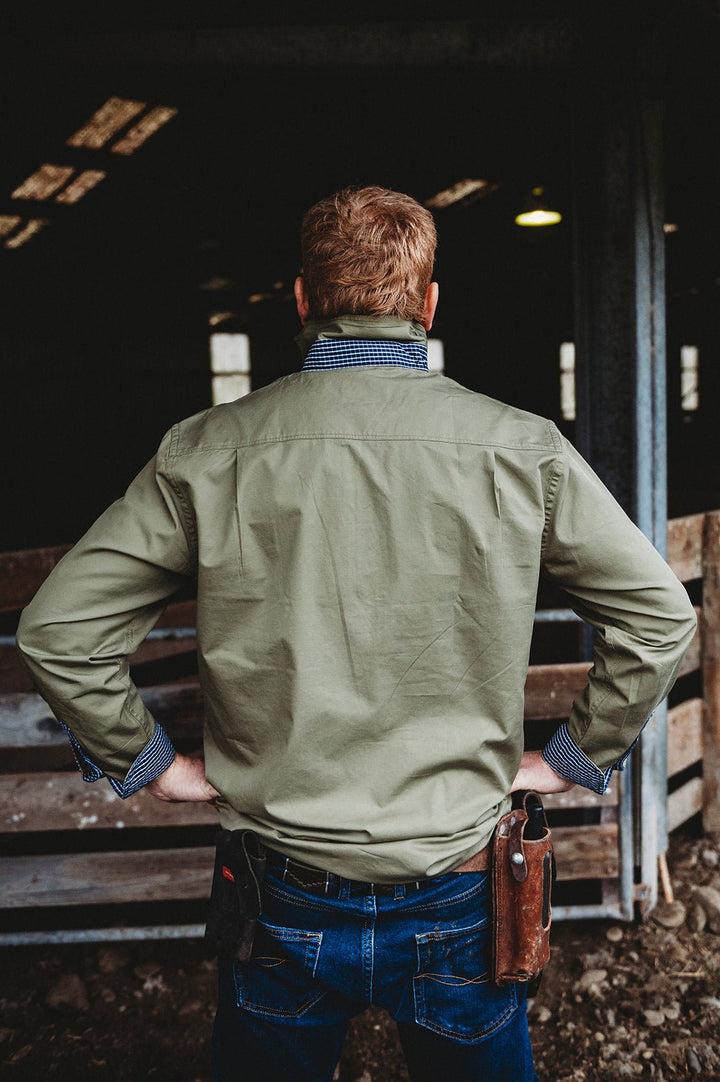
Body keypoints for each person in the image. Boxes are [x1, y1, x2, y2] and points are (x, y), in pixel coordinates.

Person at [17, 185, 696, 1082]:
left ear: (299, 298)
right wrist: (572, 755)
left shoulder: (209, 449)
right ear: (428, 303)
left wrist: (152, 765)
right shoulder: (521, 447)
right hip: (461, 880)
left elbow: (60, 628)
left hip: (280, 884)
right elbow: (659, 616)